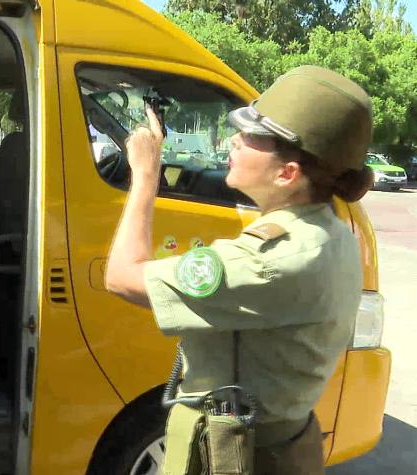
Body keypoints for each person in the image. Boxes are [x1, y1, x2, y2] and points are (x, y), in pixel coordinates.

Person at [105, 65, 375, 475]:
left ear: (287, 174)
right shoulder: (329, 232)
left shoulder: (271, 259)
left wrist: (145, 175)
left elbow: (122, 276)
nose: (234, 140)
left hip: (235, 458)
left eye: (251, 137)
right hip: (276, 445)